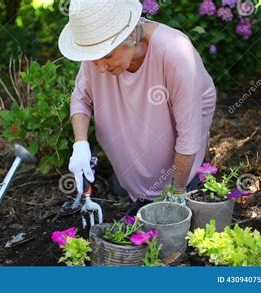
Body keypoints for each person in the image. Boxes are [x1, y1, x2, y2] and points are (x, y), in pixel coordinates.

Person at [58, 0, 216, 216]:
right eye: (93, 59)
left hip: (179, 170)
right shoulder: (98, 55)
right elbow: (81, 98)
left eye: (107, 56)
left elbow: (188, 137)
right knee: (123, 189)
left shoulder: (175, 52)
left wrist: (178, 194)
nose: (100, 68)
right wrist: (80, 145)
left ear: (131, 35)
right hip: (130, 158)